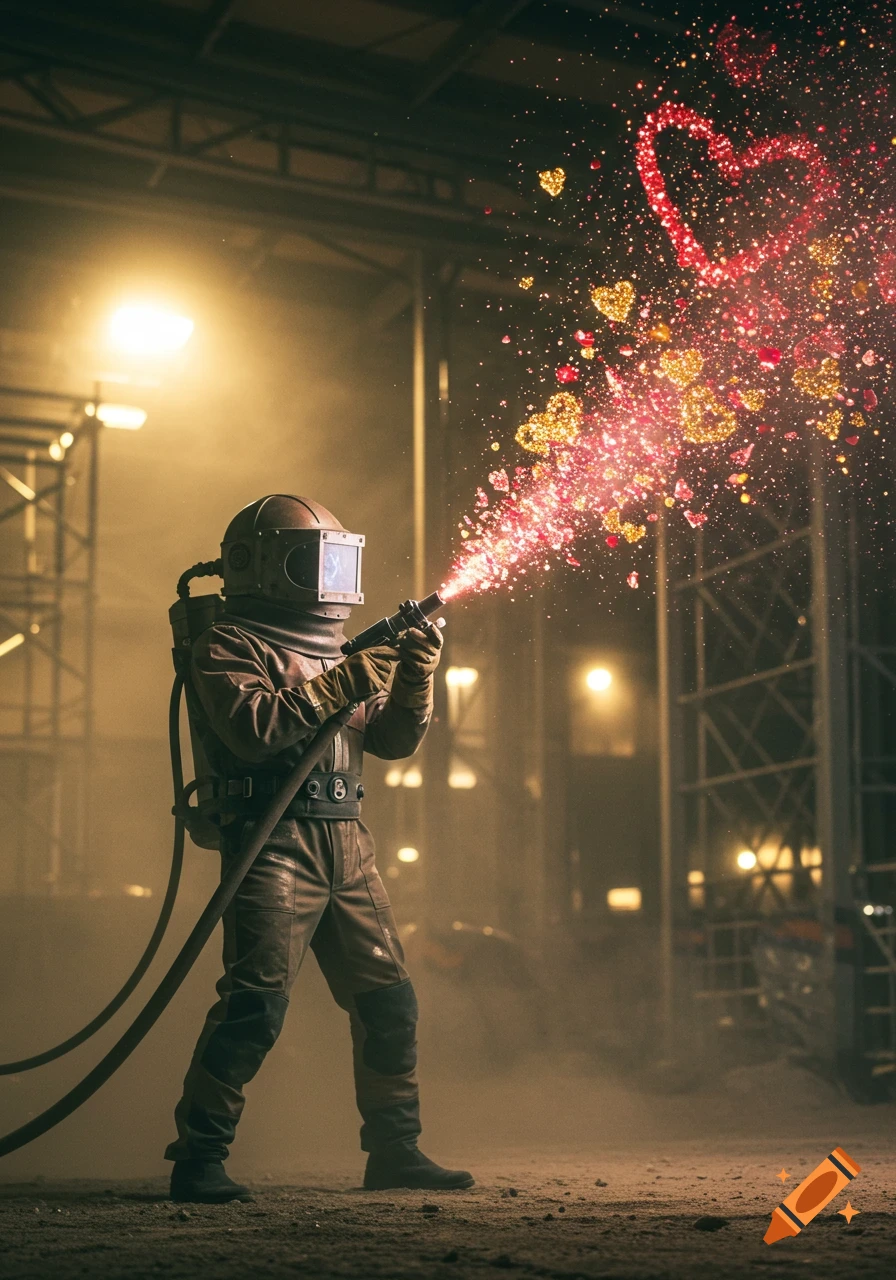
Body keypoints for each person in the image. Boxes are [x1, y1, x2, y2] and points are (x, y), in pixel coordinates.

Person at [165, 494, 473, 1203]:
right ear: (263, 564)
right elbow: (251, 729)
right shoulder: (228, 645)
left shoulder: (337, 653)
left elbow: (392, 743)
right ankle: (199, 1159)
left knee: (389, 1001)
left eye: (336, 560)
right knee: (255, 1004)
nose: (327, 577)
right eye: (313, 560)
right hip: (272, 844)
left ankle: (395, 1150)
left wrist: (416, 677)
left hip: (346, 842)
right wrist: (345, 679)